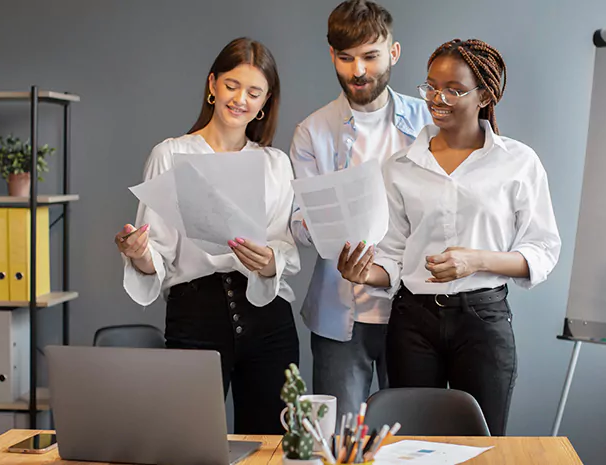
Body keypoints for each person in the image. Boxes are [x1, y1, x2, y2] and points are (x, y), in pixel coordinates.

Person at [336, 38, 561, 436]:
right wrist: (363, 274)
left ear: (485, 94)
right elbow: (392, 256)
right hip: (412, 322)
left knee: (482, 447)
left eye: (453, 89)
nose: (437, 98)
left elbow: (543, 250)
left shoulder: (518, 162)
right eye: (431, 87)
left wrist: (476, 260)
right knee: (408, 446)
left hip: (483, 322)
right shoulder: (400, 166)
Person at [115, 37, 300, 435]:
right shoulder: (171, 154)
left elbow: (284, 246)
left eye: (254, 92)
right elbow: (158, 256)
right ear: (212, 84)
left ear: (265, 102)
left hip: (268, 319)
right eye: (232, 85)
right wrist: (138, 252)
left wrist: (270, 261)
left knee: (272, 446)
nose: (240, 100)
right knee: (188, 441)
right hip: (196, 316)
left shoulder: (275, 164)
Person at [289, 0, 431, 420]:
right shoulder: (312, 131)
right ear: (332, 54)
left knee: (408, 440)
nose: (358, 71)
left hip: (415, 311)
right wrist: (322, 227)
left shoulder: (428, 122)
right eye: (346, 58)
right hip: (338, 315)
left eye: (371, 56)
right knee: (335, 440)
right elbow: (297, 221)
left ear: (394, 52)